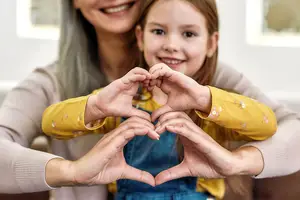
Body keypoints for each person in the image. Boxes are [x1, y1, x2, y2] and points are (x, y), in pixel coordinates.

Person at [0, 0, 299, 200]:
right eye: (159, 32)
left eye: (188, 34)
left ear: (211, 44)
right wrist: (72, 170)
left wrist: (236, 159)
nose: (172, 46)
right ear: (142, 36)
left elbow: (273, 125)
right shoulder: (105, 98)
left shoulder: (208, 81)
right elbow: (52, 121)